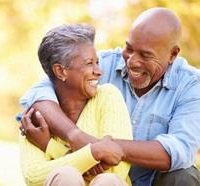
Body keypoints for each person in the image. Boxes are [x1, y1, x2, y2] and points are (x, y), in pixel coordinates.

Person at [17, 7, 200, 186]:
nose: (132, 61)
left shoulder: (191, 85)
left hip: (148, 181)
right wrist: (77, 137)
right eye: (129, 48)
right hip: (97, 179)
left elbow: (178, 150)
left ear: (172, 55)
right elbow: (39, 94)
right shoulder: (104, 63)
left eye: (145, 55)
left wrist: (97, 149)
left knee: (184, 175)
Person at [18, 24, 133, 186]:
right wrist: (95, 152)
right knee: (65, 176)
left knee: (108, 181)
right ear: (61, 71)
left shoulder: (108, 96)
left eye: (97, 62)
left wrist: (51, 147)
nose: (99, 71)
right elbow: (33, 176)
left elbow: (116, 170)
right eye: (89, 63)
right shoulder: (35, 116)